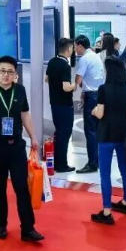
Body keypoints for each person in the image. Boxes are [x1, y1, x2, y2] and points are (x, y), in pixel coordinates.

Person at [0, 56, 44, 242]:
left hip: (16, 146)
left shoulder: (19, 90)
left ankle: (28, 228)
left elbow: (25, 114)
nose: (6, 75)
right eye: (2, 71)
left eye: (10, 72)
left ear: (15, 74)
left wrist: (33, 136)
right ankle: (1, 225)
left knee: (22, 187)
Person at [90, 56, 126, 225]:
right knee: (125, 169)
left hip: (106, 134)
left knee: (105, 173)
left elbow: (100, 113)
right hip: (124, 133)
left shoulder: (103, 89)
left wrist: (94, 111)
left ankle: (107, 211)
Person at [74, 35, 105, 174]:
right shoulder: (95, 56)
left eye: (75, 46)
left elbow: (78, 79)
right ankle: (98, 161)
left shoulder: (84, 59)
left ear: (80, 45)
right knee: (97, 130)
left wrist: (78, 86)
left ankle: (92, 164)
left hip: (91, 97)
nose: (75, 49)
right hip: (99, 94)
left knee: (90, 131)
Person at [45, 38, 76, 173]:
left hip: (54, 103)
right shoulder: (65, 66)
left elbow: (47, 79)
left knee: (59, 133)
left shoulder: (52, 61)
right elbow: (66, 87)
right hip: (64, 105)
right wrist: (75, 85)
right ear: (68, 49)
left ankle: (57, 162)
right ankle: (62, 165)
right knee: (64, 134)